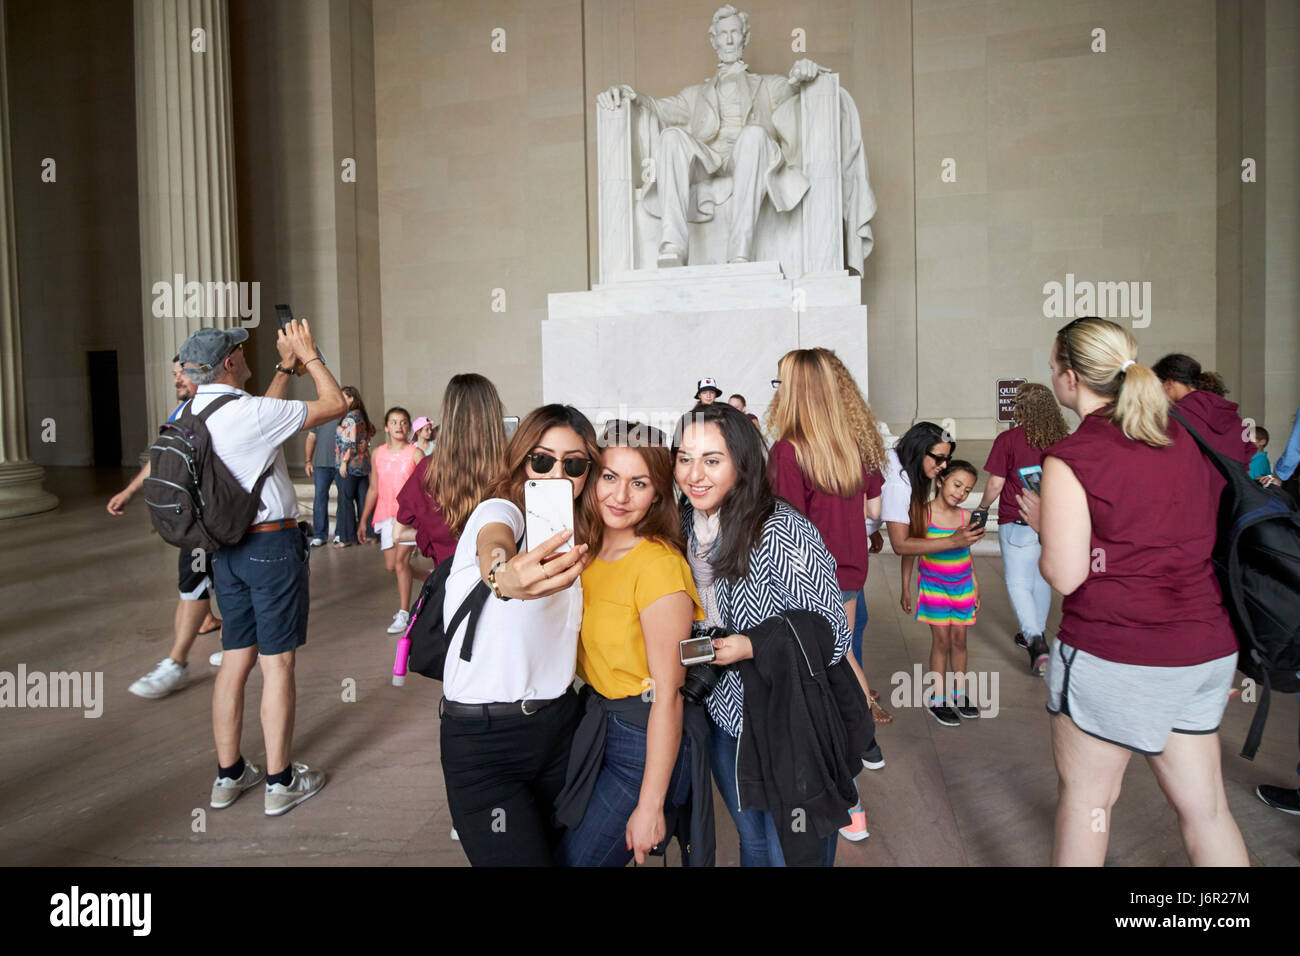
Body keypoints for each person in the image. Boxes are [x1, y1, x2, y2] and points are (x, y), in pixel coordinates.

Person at [1022, 317, 1247, 866]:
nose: (1053, 376)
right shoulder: (1185, 434)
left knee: (1088, 802)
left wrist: (1044, 526)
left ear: (1072, 378)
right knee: (1207, 810)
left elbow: (1066, 574)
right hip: (1204, 649)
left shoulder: (1076, 456)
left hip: (1115, 652)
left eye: (1054, 367)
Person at [675, 401, 865, 866]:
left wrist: (752, 644)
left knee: (788, 848)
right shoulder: (684, 522)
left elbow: (834, 633)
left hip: (786, 716)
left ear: (742, 463)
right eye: (684, 457)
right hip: (725, 714)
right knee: (753, 839)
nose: (694, 474)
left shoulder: (780, 528)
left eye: (712, 460)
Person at [179, 320, 347, 817]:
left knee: (236, 659)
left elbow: (262, 421)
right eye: (239, 351)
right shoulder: (249, 413)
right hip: (270, 550)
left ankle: (229, 776)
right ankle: (279, 782)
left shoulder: (192, 411)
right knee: (278, 663)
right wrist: (311, 356)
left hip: (224, 552)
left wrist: (283, 367)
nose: (245, 354)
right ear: (229, 364)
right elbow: (336, 406)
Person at [438, 404, 599, 866]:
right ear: (522, 461)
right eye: (542, 460)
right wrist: (502, 578)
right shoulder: (500, 510)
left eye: (573, 465)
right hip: (484, 742)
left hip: (560, 730)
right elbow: (494, 540)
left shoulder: (581, 537)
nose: (555, 475)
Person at [555, 421, 713, 866]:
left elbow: (669, 696)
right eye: (609, 477)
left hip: (643, 742)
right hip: (598, 723)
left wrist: (650, 806)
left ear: (659, 494)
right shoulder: (584, 552)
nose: (620, 497)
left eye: (638, 483)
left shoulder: (658, 566)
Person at [596, 5, 837, 267]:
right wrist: (626, 93)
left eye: (735, 32)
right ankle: (673, 245)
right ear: (714, 40)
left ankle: (740, 252)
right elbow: (656, 106)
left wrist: (804, 72)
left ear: (745, 38)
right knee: (672, 137)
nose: (730, 39)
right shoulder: (695, 95)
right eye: (724, 34)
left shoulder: (768, 85)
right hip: (708, 160)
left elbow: (794, 91)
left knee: (755, 135)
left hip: (748, 155)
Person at [766, 347, 891, 757]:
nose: (777, 390)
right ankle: (859, 736)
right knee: (844, 652)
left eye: (781, 382)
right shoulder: (851, 445)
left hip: (812, 574)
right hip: (851, 567)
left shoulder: (788, 451)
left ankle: (860, 736)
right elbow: (871, 509)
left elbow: (788, 529)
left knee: (833, 659)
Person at [109, 357, 224, 697]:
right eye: (174, 374)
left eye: (182, 374)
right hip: (195, 524)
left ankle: (182, 660)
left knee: (210, 584)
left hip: (217, 519)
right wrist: (130, 490)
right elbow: (162, 460)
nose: (176, 380)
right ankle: (180, 660)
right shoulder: (179, 416)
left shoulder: (220, 411)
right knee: (195, 585)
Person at [976, 382, 1070, 674]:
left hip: (1016, 520)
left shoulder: (1009, 439)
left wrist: (981, 507)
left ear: (1020, 409)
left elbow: (995, 483)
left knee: (1018, 582)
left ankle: (1036, 642)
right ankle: (1035, 632)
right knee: (1040, 580)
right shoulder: (1065, 440)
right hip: (1052, 521)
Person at [900, 461, 981, 725]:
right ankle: (938, 698)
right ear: (940, 480)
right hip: (934, 587)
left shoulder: (965, 518)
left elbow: (966, 553)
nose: (960, 493)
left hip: (962, 588)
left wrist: (975, 585)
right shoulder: (924, 514)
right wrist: (905, 587)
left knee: (960, 640)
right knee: (942, 641)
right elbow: (910, 550)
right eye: (957, 485)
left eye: (967, 490)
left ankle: (959, 693)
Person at [394, 374, 506, 565]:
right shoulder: (511, 467)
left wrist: (433, 537)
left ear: (449, 417)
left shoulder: (428, 470)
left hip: (452, 578)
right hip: (502, 576)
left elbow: (399, 534)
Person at [359, 407, 423, 634]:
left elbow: (426, 488)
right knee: (391, 566)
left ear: (409, 426)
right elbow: (374, 488)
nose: (399, 426)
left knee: (400, 564)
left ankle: (404, 613)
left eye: (404, 422)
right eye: (394, 422)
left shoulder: (415, 454)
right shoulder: (378, 453)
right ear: (386, 427)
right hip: (385, 514)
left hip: (408, 517)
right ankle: (429, 578)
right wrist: (363, 519)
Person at [1152, 354, 1254, 466]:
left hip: (1193, 482)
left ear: (1170, 383)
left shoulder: (1175, 417)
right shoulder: (1232, 415)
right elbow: (1248, 452)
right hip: (1232, 482)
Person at [333, 385, 374, 548]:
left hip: (349, 465)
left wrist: (344, 462)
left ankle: (347, 537)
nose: (341, 400)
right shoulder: (361, 415)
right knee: (364, 500)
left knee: (346, 501)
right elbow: (372, 430)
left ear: (351, 399)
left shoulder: (350, 417)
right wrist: (366, 443)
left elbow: (349, 443)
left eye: (344, 397)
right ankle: (369, 535)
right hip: (363, 464)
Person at [303, 412, 342, 547]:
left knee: (343, 498)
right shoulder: (320, 417)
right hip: (321, 465)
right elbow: (311, 438)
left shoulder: (346, 416)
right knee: (319, 498)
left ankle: (341, 533)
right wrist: (308, 461)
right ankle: (319, 535)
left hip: (341, 465)